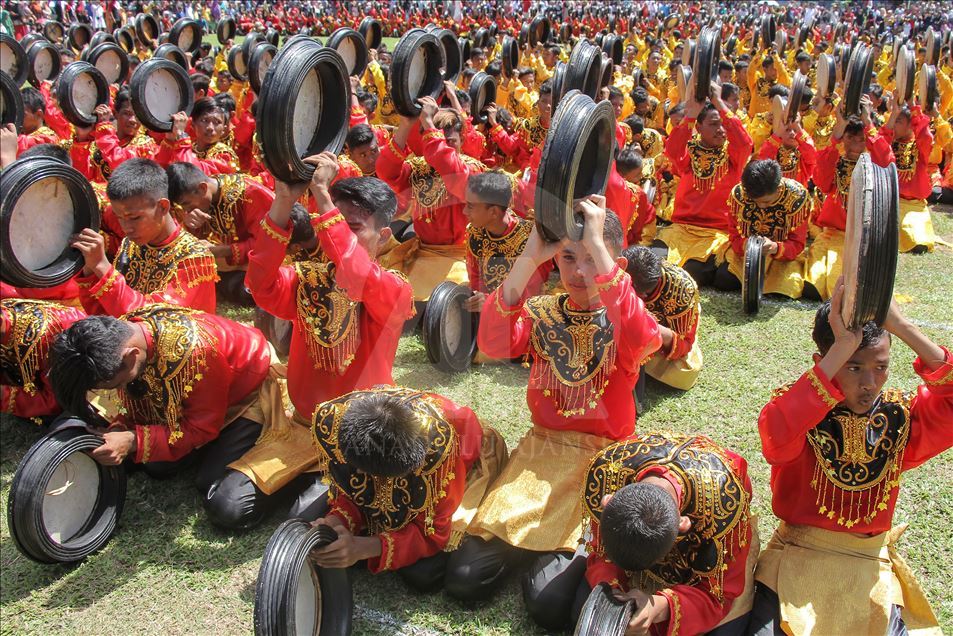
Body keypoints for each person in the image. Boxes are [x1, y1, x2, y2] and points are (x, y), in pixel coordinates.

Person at [445, 197, 662, 631]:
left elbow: (645, 336)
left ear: (611, 262)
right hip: (538, 456)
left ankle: (556, 553)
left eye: (590, 259)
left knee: (547, 606)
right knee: (464, 579)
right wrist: (528, 258)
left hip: (600, 463)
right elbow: (492, 341)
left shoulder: (624, 318)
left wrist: (600, 252)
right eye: (567, 258)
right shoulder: (543, 312)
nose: (578, 273)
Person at [751, 285, 951, 636]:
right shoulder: (797, 408)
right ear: (823, 364)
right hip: (796, 558)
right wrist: (841, 347)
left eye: (881, 367)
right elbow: (776, 438)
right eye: (853, 367)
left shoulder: (900, 417)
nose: (869, 383)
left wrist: (902, 326)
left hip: (868, 566)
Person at [243, 153, 414, 509]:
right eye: (329, 219)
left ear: (383, 237)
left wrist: (322, 195)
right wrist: (283, 202)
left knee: (300, 514)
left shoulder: (394, 289)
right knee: (228, 505)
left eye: (351, 226)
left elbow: (355, 269)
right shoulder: (308, 280)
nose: (328, 230)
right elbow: (259, 284)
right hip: (302, 426)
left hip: (355, 435)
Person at [48, 304, 293, 530]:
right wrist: (122, 427)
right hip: (204, 397)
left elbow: (201, 428)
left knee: (217, 492)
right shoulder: (123, 334)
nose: (117, 392)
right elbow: (135, 398)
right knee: (157, 465)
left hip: (250, 393)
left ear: (131, 355)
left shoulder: (198, 353)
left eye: (118, 385)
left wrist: (134, 440)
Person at [308, 387, 506, 592]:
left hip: (467, 455)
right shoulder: (335, 426)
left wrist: (362, 548)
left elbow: (432, 531)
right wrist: (335, 521)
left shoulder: (438, 457)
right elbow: (349, 489)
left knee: (424, 574)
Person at [572, 432, 756, 635]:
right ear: (608, 501)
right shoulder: (609, 472)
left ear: (683, 525)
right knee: (587, 612)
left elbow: (719, 593)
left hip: (707, 567)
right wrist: (614, 590)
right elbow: (601, 552)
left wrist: (661, 607)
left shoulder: (723, 506)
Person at [72, 158, 218, 316]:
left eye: (134, 218)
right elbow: (103, 314)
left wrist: (103, 267)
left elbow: (156, 322)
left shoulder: (195, 258)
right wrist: (90, 270)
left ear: (162, 207)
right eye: (119, 218)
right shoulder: (131, 244)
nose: (126, 228)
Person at [377, 96, 485, 302]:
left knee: (449, 300)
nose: (444, 147)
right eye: (439, 141)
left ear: (462, 139)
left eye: (451, 142)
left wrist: (428, 125)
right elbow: (385, 171)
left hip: (461, 257)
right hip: (423, 253)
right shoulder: (419, 168)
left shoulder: (472, 169)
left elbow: (452, 173)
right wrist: (406, 125)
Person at [655, 81, 753, 286]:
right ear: (698, 127)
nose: (720, 130)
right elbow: (672, 151)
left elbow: (746, 143)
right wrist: (690, 114)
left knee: (719, 278)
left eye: (722, 124)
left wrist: (719, 102)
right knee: (656, 261)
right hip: (682, 229)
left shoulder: (733, 154)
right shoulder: (689, 151)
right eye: (713, 124)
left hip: (718, 232)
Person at [803, 100, 894, 300]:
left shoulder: (874, 166)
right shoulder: (836, 161)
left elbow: (888, 163)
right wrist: (837, 133)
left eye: (861, 139)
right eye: (850, 137)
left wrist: (868, 123)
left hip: (864, 239)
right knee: (812, 288)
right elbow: (820, 180)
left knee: (849, 289)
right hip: (831, 236)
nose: (854, 143)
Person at [166, 162, 275, 306]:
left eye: (187, 203)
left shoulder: (249, 194)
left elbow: (268, 244)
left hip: (270, 263)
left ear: (202, 188)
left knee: (246, 291)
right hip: (233, 263)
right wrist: (190, 224)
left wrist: (222, 251)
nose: (187, 209)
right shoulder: (207, 196)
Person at [720, 159, 811, 298]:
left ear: (779, 188)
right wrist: (750, 247)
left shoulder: (797, 198)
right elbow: (734, 236)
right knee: (724, 280)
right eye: (755, 201)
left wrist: (775, 247)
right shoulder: (739, 195)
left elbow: (797, 244)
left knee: (785, 289)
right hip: (745, 255)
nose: (761, 206)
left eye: (766, 201)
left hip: (781, 258)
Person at [463, 171, 549, 311]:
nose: (465, 211)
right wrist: (478, 298)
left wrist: (491, 303)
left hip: (525, 315)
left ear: (494, 212)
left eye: (470, 206)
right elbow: (476, 280)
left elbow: (532, 293)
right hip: (488, 313)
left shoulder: (531, 238)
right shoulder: (475, 234)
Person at [623, 246, 703, 391]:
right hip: (630, 325)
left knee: (685, 372)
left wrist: (652, 329)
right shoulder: (618, 273)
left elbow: (684, 344)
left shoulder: (681, 290)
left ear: (644, 295)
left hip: (660, 334)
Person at [1, 298, 86, 424]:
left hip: (77, 386)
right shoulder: (6, 311)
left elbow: (56, 401)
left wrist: (4, 396)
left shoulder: (45, 338)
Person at [880, 96, 936, 253]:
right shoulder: (889, 143)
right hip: (890, 202)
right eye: (894, 121)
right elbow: (878, 144)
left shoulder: (920, 145)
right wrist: (892, 116)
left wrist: (913, 106)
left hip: (915, 205)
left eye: (899, 121)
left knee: (916, 238)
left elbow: (925, 134)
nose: (895, 125)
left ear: (911, 125)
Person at [88, 90, 159, 181]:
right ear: (115, 113)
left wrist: (104, 127)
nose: (132, 120)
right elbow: (83, 177)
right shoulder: (98, 143)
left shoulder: (146, 146)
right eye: (127, 114)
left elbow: (120, 165)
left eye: (138, 116)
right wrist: (82, 136)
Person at [155, 99, 240, 174]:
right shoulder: (190, 148)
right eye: (204, 120)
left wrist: (180, 134)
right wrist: (169, 139)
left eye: (217, 122)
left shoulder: (225, 155)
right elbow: (160, 171)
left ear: (224, 130)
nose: (210, 127)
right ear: (193, 124)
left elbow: (191, 175)